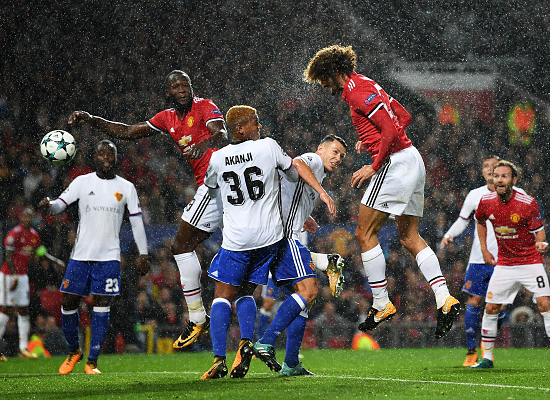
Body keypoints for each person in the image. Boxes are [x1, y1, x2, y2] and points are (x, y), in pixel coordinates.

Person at [304, 45, 459, 338]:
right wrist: (372, 138)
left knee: (363, 234)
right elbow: (404, 116)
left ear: (335, 72)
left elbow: (389, 126)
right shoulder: (368, 84)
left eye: (324, 79)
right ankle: (444, 298)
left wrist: (374, 164)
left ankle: (381, 303)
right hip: (412, 159)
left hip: (394, 163)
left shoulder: (356, 92)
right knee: (409, 236)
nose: (324, 87)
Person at [68, 70, 227, 349]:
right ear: (168, 92)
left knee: (180, 245)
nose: (181, 89)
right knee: (244, 247)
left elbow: (221, 133)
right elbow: (128, 131)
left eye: (185, 84)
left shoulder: (205, 106)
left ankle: (198, 317)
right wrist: (93, 120)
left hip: (217, 183)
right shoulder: (166, 118)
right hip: (223, 190)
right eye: (176, 86)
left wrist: (201, 146)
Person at [200, 105, 298, 379]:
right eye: (254, 122)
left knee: (221, 297)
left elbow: (209, 187)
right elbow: (292, 174)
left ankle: (219, 359)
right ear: (240, 128)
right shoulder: (269, 147)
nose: (259, 126)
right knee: (245, 293)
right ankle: (245, 342)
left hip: (238, 239)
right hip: (268, 239)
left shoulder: (218, 157)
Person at [39, 140, 149, 374]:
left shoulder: (127, 187)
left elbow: (137, 221)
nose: (106, 157)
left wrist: (143, 253)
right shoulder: (82, 182)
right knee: (68, 302)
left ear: (116, 157)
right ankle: (73, 351)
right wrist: (48, 205)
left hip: (109, 257)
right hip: (80, 255)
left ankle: (92, 361)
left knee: (102, 305)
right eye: (101, 154)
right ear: (95, 157)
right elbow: (60, 205)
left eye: (111, 153)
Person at [254, 134, 347, 376]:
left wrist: (305, 216)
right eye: (335, 152)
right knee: (310, 290)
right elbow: (297, 163)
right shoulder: (314, 161)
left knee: (302, 301)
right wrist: (323, 193)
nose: (338, 158)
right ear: (321, 148)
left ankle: (292, 362)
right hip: (285, 237)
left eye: (342, 156)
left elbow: (288, 191)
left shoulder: (319, 174)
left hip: (278, 236)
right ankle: (266, 341)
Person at [471, 160, 550, 369]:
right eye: (496, 176)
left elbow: (539, 231)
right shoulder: (486, 202)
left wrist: (541, 243)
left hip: (530, 261)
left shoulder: (527, 202)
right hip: (504, 264)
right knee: (491, 307)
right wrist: (485, 250)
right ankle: (487, 358)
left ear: (514, 180)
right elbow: (480, 221)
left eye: (504, 176)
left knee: (545, 305)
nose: (499, 180)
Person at [440, 156, 525, 366]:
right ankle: (471, 351)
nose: (490, 169)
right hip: (479, 260)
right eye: (486, 166)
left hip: (506, 259)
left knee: (499, 306)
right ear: (483, 172)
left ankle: (488, 350)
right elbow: (463, 220)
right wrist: (449, 235)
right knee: (474, 302)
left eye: (494, 167)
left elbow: (529, 217)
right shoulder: (475, 195)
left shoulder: (518, 195)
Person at [0, 207, 44, 361]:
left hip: (22, 276)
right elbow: (8, 256)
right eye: (25, 216)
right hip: (9, 275)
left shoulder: (34, 235)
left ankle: (23, 348)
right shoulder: (14, 233)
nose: (27, 219)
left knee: (23, 310)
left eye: (30, 217)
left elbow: (38, 252)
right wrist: (13, 276)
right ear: (21, 218)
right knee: (6, 309)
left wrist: (45, 258)